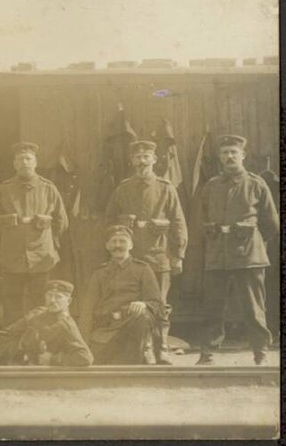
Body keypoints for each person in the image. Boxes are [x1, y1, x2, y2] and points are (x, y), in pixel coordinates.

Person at [196, 135, 279, 366]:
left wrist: (254, 242)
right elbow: (201, 219)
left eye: (234, 152)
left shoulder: (256, 184)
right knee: (213, 306)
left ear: (243, 155)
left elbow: (271, 223)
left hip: (248, 256)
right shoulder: (211, 186)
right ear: (220, 157)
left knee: (253, 307)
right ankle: (208, 353)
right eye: (225, 153)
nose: (230, 156)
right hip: (217, 255)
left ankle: (260, 351)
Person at [105, 140, 187, 363]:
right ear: (131, 161)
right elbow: (109, 221)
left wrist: (178, 254)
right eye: (137, 157)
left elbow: (178, 223)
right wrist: (121, 235)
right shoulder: (122, 189)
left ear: (154, 160)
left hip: (158, 256)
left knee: (160, 304)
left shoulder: (166, 188)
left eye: (146, 157)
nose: (142, 161)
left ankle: (162, 348)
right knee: (133, 304)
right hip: (131, 259)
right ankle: (145, 348)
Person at [0, 142, 69, 326]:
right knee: (11, 303)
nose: (24, 162)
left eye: (28, 158)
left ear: (35, 162)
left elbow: (61, 222)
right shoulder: (5, 189)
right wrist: (13, 235)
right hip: (12, 257)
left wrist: (47, 240)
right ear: (14, 164)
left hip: (41, 257)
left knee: (40, 302)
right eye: (20, 159)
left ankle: (38, 339)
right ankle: (12, 340)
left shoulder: (48, 188)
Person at [78, 225, 163, 365]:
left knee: (142, 318)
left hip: (131, 329)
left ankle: (144, 352)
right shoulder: (99, 273)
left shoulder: (143, 269)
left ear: (131, 245)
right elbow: (87, 309)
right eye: (113, 241)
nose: (117, 245)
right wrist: (83, 343)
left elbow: (156, 303)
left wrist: (143, 304)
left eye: (122, 241)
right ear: (107, 246)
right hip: (105, 332)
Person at [0, 280, 93, 367]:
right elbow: (8, 333)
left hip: (29, 367)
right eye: (49, 295)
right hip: (9, 353)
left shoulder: (66, 326)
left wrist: (53, 359)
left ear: (68, 301)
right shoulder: (37, 313)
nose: (52, 300)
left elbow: (85, 357)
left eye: (58, 297)